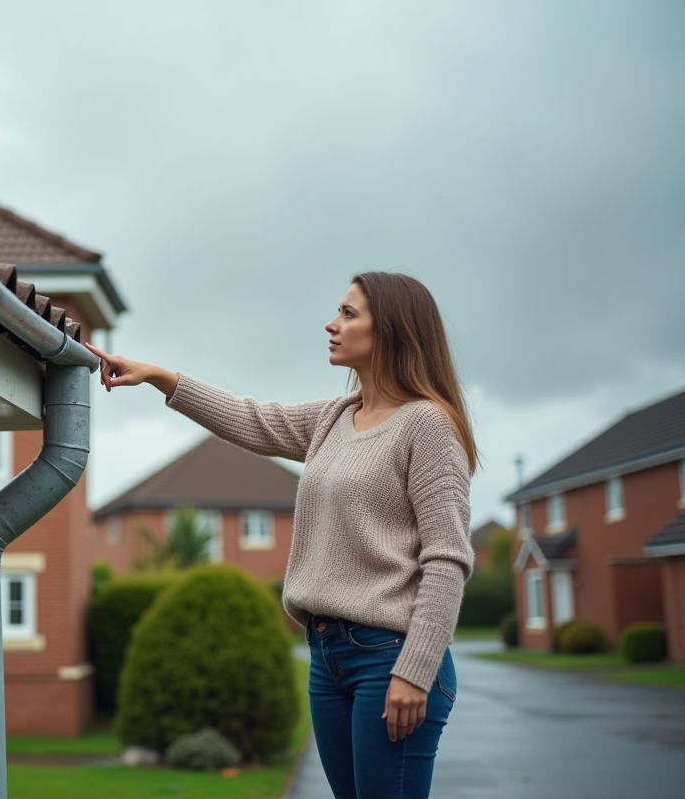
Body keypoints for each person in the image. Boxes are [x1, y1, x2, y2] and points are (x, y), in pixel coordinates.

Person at [85, 271, 475, 799]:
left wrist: (416, 669)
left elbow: (447, 558)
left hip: (391, 656)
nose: (331, 324)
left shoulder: (427, 425)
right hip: (327, 655)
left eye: (349, 313)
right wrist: (160, 376)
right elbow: (251, 419)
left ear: (394, 330)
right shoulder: (337, 416)